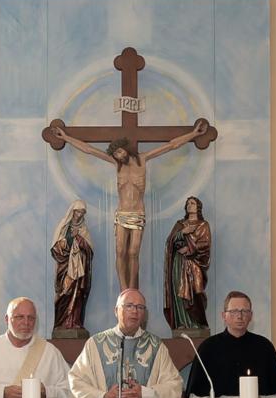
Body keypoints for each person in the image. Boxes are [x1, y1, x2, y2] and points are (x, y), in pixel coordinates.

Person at [51, 123, 209, 290]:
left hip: (138, 213)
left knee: (133, 253)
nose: (119, 156)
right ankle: (123, 290)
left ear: (125, 149)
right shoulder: (116, 164)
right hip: (122, 213)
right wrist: (66, 138)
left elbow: (171, 146)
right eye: (115, 154)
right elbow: (89, 149)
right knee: (120, 251)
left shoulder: (142, 159)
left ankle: (133, 289)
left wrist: (193, 134)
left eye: (119, 152)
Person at [69, 289, 184, 398]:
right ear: (116, 311)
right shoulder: (95, 344)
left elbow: (174, 386)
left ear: (144, 314)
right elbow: (76, 381)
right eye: (129, 306)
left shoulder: (156, 346)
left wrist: (145, 394)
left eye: (140, 307)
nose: (135, 311)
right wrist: (103, 397)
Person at [185, 291, 276, 398]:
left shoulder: (264, 348)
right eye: (234, 311)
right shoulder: (208, 348)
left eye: (244, 311)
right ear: (224, 316)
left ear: (251, 316)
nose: (239, 316)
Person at [163, 196, 213, 332]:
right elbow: (170, 242)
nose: (190, 205)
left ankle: (196, 322)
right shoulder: (180, 224)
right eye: (188, 203)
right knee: (179, 292)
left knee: (196, 291)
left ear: (198, 206)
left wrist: (190, 249)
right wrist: (181, 234)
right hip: (179, 263)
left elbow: (205, 245)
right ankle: (182, 323)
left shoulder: (203, 225)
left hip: (194, 263)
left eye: (193, 203)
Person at [50, 201, 93, 335]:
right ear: (72, 212)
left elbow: (90, 251)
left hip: (79, 272)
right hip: (65, 269)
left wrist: (79, 239)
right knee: (64, 293)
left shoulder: (84, 230)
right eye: (77, 211)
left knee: (78, 295)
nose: (79, 215)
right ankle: (62, 323)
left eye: (82, 212)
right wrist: (69, 239)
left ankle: (75, 322)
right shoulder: (63, 227)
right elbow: (56, 249)